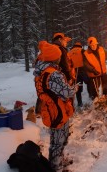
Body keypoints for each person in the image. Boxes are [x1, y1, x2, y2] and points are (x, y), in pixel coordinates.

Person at [33, 41, 77, 172]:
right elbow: (66, 93)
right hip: (57, 111)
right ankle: (55, 167)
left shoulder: (43, 70)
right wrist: (74, 88)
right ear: (54, 58)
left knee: (56, 140)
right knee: (59, 140)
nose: (60, 58)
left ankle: (58, 161)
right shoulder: (53, 74)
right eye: (58, 56)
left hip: (52, 109)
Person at [68, 42, 89, 107]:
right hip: (83, 70)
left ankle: (80, 103)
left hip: (75, 72)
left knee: (78, 88)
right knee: (89, 83)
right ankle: (91, 97)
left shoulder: (69, 53)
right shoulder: (82, 51)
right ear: (80, 46)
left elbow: (68, 63)